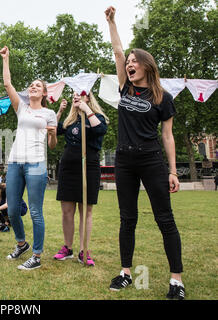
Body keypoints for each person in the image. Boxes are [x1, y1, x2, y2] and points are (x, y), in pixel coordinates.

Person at [106, 6, 185, 299]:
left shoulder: (163, 97)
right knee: (127, 218)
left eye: (135, 61)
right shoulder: (125, 88)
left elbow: (168, 135)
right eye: (128, 61)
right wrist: (112, 22)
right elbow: (116, 51)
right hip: (124, 159)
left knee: (164, 218)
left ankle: (176, 280)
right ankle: (126, 273)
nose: (129, 63)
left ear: (147, 66)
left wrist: (173, 170)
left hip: (151, 160)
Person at [0, 45, 58, 270]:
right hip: (15, 163)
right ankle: (21, 243)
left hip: (36, 164)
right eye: (31, 85)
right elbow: (7, 84)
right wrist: (6, 59)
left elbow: (52, 146)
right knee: (12, 209)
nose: (33, 87)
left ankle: (36, 255)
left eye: (38, 86)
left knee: (35, 211)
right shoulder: (21, 108)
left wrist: (52, 135)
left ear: (44, 93)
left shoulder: (49, 114)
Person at [53, 93, 108, 267]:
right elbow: (53, 128)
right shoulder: (70, 121)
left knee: (86, 211)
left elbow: (100, 130)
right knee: (67, 210)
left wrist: (87, 110)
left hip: (88, 166)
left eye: (81, 95)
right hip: (68, 167)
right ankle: (67, 248)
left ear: (89, 98)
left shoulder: (97, 117)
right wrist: (60, 112)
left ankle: (84, 250)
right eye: (74, 95)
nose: (76, 97)